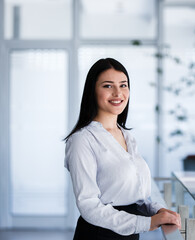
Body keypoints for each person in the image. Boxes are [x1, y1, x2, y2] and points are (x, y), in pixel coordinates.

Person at [64, 58, 181, 240]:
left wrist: (159, 210)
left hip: (129, 234)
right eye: (108, 86)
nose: (118, 93)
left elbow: (136, 196)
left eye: (123, 85)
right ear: (92, 91)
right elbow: (88, 205)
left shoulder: (127, 136)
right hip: (99, 235)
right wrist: (147, 223)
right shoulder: (81, 140)